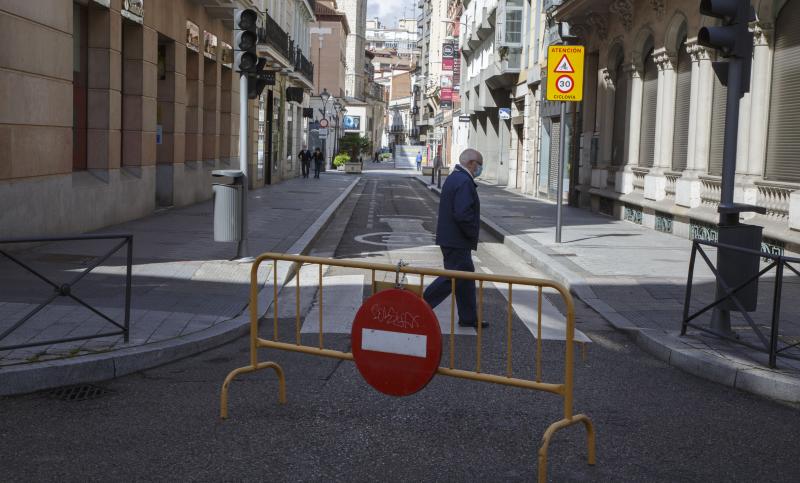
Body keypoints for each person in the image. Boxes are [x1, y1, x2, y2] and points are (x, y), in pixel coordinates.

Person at [423, 149, 487, 328]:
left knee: (465, 280)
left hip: (452, 238)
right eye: (480, 164)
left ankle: (468, 317)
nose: (481, 168)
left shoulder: (455, 177)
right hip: (457, 240)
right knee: (450, 278)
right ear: (471, 163)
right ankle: (420, 305)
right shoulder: (464, 181)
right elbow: (462, 214)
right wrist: (471, 232)